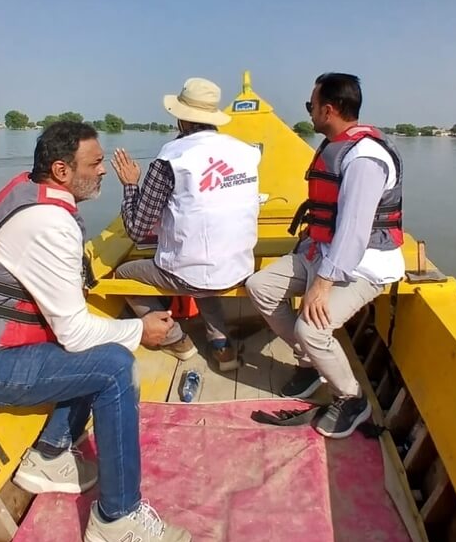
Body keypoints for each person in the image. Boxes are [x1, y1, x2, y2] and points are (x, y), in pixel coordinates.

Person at [0, 121, 191, 542]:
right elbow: (74, 334)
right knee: (112, 364)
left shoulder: (30, 190)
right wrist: (141, 330)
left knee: (100, 352)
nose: (104, 172)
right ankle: (117, 519)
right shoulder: (50, 223)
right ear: (61, 170)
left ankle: (50, 455)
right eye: (94, 164)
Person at [245, 73, 404, 439]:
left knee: (311, 326)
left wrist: (321, 284)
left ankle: (351, 398)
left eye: (310, 106)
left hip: (364, 264)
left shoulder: (365, 157)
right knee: (261, 287)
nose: (310, 113)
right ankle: (310, 362)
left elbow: (354, 231)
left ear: (328, 109)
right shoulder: (334, 144)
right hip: (323, 251)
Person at [112, 78, 261, 372]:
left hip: (193, 273)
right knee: (204, 269)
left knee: (122, 276)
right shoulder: (245, 152)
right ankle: (222, 346)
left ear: (182, 119)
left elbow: (137, 228)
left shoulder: (172, 157)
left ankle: (176, 339)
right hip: (240, 267)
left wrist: (130, 185)